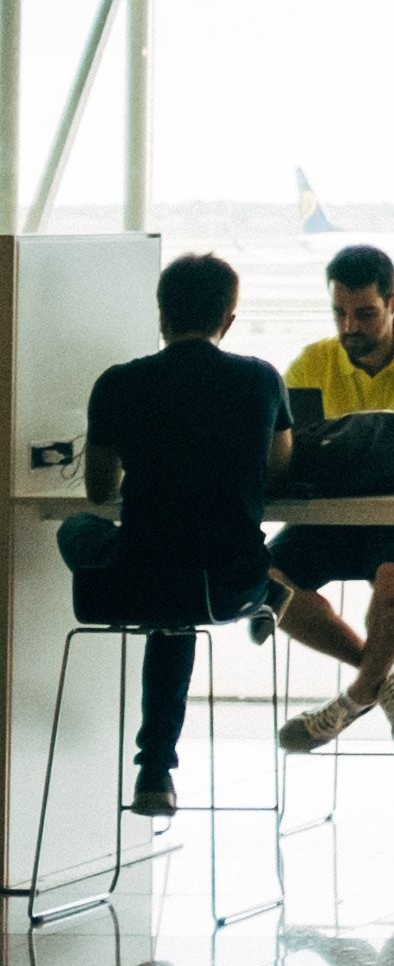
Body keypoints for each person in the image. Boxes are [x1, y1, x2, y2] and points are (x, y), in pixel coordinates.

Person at [66, 253, 289, 819]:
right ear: (228, 319)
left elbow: (98, 490)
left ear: (161, 315)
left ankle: (156, 773)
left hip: (139, 577)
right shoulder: (261, 378)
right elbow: (280, 465)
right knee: (181, 593)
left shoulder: (117, 383)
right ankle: (267, 590)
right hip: (230, 582)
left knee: (80, 531)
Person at [262, 242, 394, 757]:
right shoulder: (313, 361)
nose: (349, 327)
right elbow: (286, 450)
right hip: (332, 516)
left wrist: (340, 449)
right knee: (262, 583)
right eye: (340, 313)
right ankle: (384, 674)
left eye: (365, 314)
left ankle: (352, 699)